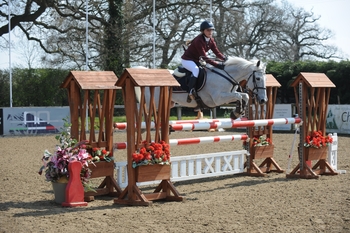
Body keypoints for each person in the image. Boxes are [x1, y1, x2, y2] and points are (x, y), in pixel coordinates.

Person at [181, 20, 226, 102]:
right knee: (196, 69)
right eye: (208, 30)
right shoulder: (199, 40)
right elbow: (204, 57)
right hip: (187, 60)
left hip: (196, 60)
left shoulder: (211, 40)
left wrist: (224, 58)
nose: (210, 32)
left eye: (211, 30)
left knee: (208, 69)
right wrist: (216, 64)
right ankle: (190, 91)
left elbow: (217, 52)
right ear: (203, 31)